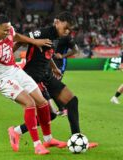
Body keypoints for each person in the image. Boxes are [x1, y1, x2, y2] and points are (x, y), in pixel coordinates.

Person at [0, 15, 67, 155]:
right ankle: (37, 145)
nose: (8, 32)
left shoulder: (8, 30)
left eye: (9, 29)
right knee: (29, 103)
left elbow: (17, 36)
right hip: (3, 79)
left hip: (15, 70)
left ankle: (48, 139)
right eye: (5, 30)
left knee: (42, 102)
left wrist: (35, 42)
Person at [13, 11, 98, 149]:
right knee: (50, 114)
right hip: (32, 77)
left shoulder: (58, 36)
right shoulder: (44, 32)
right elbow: (19, 38)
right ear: (57, 22)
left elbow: (48, 53)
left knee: (72, 101)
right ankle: (16, 131)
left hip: (47, 75)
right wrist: (9, 55)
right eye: (66, 27)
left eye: (70, 29)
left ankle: (77, 139)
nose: (67, 31)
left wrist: (53, 67)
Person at [52, 35, 80, 116]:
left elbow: (75, 50)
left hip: (60, 64)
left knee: (54, 86)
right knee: (51, 87)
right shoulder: (52, 34)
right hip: (51, 63)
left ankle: (65, 108)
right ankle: (62, 109)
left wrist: (62, 56)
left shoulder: (66, 37)